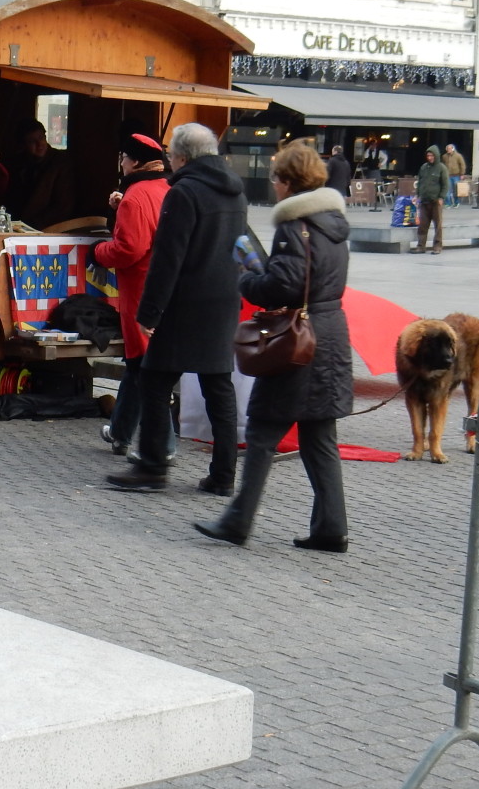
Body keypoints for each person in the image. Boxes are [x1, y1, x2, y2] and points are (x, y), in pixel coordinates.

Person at [193, 142, 352, 552]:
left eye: (276, 178)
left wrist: (248, 275)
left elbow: (282, 285)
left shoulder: (294, 226)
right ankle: (331, 528)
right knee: (320, 436)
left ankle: (238, 520)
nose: (274, 185)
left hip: (297, 340)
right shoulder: (333, 222)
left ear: (287, 182)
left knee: (263, 429)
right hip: (331, 334)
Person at [107, 123, 245, 496]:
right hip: (223, 301)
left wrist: (149, 313)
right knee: (218, 387)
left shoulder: (183, 192)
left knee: (153, 380)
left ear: (181, 157)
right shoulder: (235, 191)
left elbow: (168, 259)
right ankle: (223, 475)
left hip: (185, 304)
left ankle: (152, 467)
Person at [94, 134, 173, 456]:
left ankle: (161, 446)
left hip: (140, 289)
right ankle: (121, 432)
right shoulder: (166, 188)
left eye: (124, 157)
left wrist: (99, 252)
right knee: (140, 365)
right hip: (166, 287)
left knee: (142, 365)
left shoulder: (135, 196)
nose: (122, 163)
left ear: (136, 162)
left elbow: (129, 249)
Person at [4, 120, 74, 231]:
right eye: (32, 141)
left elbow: (62, 206)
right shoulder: (18, 164)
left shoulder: (59, 162)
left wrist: (31, 226)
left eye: (41, 137)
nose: (39, 144)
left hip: (50, 229)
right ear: (23, 145)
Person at [410, 145, 449, 255]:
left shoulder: (441, 168)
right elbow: (420, 182)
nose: (430, 157)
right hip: (424, 201)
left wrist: (441, 197)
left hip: (436, 201)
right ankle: (421, 246)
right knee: (422, 225)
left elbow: (445, 184)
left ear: (436, 156)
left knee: (438, 225)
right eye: (428, 155)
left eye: (432, 155)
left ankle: (437, 246)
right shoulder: (424, 167)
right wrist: (417, 195)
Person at [442, 143, 468, 207]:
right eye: (447, 149)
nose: (448, 150)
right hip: (447, 176)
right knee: (447, 190)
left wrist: (462, 174)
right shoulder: (444, 156)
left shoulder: (458, 156)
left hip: (456, 175)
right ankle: (448, 203)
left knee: (456, 190)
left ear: (453, 149)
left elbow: (462, 165)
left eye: (449, 148)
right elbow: (442, 165)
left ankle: (456, 202)